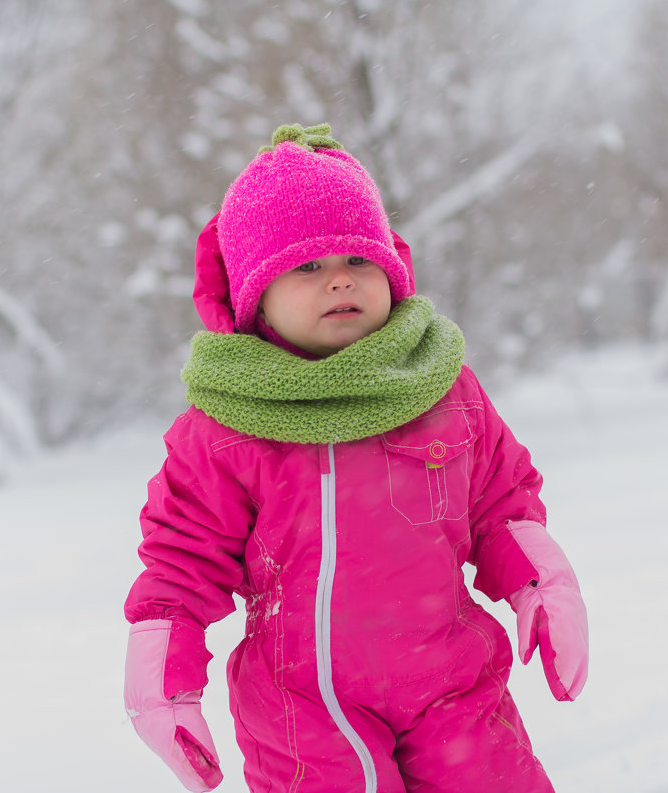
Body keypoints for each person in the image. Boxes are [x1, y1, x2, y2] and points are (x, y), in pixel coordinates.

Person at [123, 123, 588, 793]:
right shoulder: (227, 423)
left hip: (453, 685)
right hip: (303, 709)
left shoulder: (437, 385)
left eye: (358, 261)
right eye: (308, 266)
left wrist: (544, 585)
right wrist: (162, 684)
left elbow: (500, 502)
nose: (339, 279)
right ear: (255, 296)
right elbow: (180, 560)